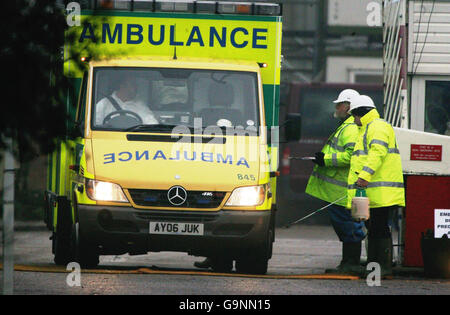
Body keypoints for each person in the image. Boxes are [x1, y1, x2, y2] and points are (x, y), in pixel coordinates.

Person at [305, 89, 366, 275]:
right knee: (346, 225)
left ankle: (351, 263)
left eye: (339, 104)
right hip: (340, 190)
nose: (336, 107)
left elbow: (350, 156)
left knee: (349, 226)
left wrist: (326, 159)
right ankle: (348, 262)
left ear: (348, 107)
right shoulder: (347, 126)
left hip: (344, 190)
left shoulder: (350, 129)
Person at [347, 95, 405, 277]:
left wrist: (364, 176)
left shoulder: (377, 127)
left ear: (362, 113)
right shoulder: (368, 128)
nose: (354, 120)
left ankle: (380, 268)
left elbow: (377, 153)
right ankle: (376, 267)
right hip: (377, 191)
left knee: (379, 229)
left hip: (381, 191)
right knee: (375, 228)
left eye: (355, 116)